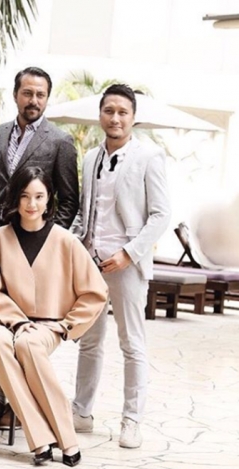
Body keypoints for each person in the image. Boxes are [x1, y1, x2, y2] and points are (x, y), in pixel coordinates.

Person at [0, 66, 79, 429]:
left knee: (27, 323)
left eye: (40, 95)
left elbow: (69, 200)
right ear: (15, 94)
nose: (34, 100)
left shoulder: (60, 141)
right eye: (27, 93)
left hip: (33, 249)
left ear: (47, 98)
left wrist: (46, 242)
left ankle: (20, 404)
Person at [0, 166, 107, 466]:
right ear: (15, 197)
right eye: (25, 196)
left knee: (29, 344)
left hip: (48, 325)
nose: (31, 204)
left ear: (49, 198)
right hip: (3, 320)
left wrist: (67, 325)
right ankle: (39, 439)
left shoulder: (66, 241)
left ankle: (66, 439)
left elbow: (95, 291)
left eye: (39, 196)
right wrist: (17, 320)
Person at [71, 84, 171, 448]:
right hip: (91, 262)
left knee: (132, 343)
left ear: (133, 117)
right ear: (101, 114)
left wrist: (129, 253)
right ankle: (81, 413)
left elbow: (161, 214)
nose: (115, 118)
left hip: (127, 264)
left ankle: (132, 420)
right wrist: (74, 247)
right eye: (109, 111)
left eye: (122, 112)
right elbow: (85, 211)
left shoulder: (149, 156)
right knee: (89, 341)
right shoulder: (89, 158)